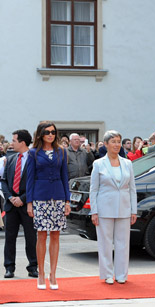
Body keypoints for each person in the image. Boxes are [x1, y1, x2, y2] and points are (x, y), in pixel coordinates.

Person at [26, 121, 71, 290]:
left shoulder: (62, 152)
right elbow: (30, 179)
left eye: (53, 132)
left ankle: (53, 274)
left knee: (55, 235)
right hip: (40, 197)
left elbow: (65, 177)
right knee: (41, 235)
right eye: (47, 132)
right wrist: (29, 202)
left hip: (58, 196)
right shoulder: (33, 153)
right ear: (40, 134)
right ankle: (41, 273)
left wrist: (67, 200)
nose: (50, 134)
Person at [90, 130, 137, 285]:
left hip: (124, 207)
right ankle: (108, 274)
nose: (116, 145)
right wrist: (94, 210)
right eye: (113, 142)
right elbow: (94, 189)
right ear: (106, 144)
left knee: (123, 242)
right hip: (104, 208)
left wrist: (133, 210)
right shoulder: (98, 164)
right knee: (105, 242)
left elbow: (132, 188)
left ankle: (122, 274)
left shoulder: (127, 163)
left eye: (118, 141)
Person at [1, 130, 38, 279]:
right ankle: (9, 267)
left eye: (14, 140)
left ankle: (33, 267)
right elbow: (3, 181)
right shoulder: (10, 159)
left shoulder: (34, 159)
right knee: (9, 237)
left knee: (31, 237)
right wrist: (10, 197)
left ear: (22, 142)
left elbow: (36, 183)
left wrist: (22, 198)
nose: (11, 143)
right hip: (11, 205)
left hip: (27, 204)